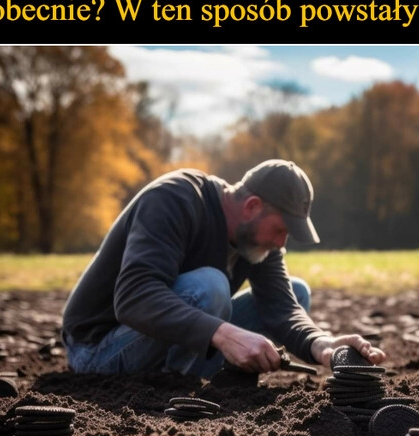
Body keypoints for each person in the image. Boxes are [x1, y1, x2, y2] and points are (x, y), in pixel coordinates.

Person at [61, 160, 385, 377]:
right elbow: (134, 297)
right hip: (98, 347)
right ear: (252, 207)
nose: (282, 241)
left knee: (297, 292)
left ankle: (189, 374)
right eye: (280, 229)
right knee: (210, 286)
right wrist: (224, 334)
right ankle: (174, 390)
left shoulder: (255, 239)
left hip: (162, 343)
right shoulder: (175, 200)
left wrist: (322, 343)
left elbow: (281, 306)